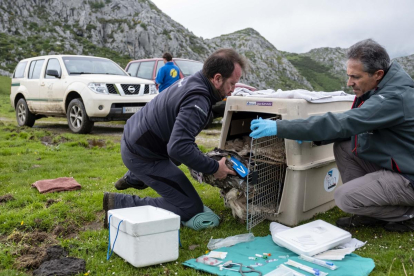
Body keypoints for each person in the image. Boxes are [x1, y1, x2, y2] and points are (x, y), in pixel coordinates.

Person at [250, 39, 414, 233]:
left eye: (355, 77)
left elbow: (345, 122)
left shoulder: (393, 98)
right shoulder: (379, 88)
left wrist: (281, 127)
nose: (349, 83)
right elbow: (353, 129)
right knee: (344, 147)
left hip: (408, 176)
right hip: (399, 162)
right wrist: (313, 135)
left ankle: (407, 214)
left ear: (378, 74)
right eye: (348, 76)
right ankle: (370, 211)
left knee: (345, 198)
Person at [103, 49, 247, 228]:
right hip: (143, 154)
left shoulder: (196, 80)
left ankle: (134, 178)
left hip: (138, 137)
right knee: (190, 207)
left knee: (180, 156)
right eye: (232, 84)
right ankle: (118, 204)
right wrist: (214, 167)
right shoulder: (198, 99)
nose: (233, 89)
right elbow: (179, 148)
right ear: (217, 78)